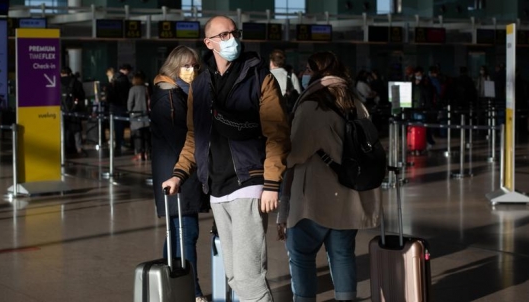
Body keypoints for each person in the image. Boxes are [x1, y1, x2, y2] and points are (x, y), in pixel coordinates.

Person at [162, 15, 289, 302]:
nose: (231, 39)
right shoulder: (202, 84)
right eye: (223, 35)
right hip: (217, 187)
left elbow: (277, 133)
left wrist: (271, 183)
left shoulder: (259, 77)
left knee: (248, 275)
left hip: (249, 181)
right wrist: (179, 173)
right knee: (233, 273)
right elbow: (195, 136)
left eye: (234, 33)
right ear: (209, 43)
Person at [277, 51, 380, 302]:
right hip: (349, 195)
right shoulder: (355, 103)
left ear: (318, 73)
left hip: (316, 199)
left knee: (301, 255)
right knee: (343, 255)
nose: (304, 74)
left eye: (308, 69)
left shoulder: (313, 106)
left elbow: (296, 152)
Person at [150, 46, 210, 302]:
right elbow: (183, 142)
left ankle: (172, 286)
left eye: (195, 66)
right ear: (174, 67)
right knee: (186, 233)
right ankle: (190, 290)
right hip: (178, 177)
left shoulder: (177, 95)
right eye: (186, 66)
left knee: (176, 234)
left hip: (176, 175)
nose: (192, 71)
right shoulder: (171, 99)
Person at [105, 64, 133, 153]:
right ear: (126, 70)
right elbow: (125, 94)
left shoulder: (114, 77)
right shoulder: (123, 79)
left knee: (116, 125)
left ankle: (117, 143)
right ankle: (120, 143)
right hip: (120, 105)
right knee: (120, 125)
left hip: (113, 105)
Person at [60, 66, 85, 156]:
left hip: (62, 110)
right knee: (77, 130)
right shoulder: (76, 83)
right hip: (75, 109)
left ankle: (65, 148)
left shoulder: (57, 82)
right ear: (70, 73)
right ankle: (78, 148)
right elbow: (82, 96)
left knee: (65, 130)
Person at [128, 71, 151, 161]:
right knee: (146, 136)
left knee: (138, 136)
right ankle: (146, 153)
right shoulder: (145, 88)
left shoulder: (133, 89)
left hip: (136, 116)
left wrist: (130, 112)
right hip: (145, 115)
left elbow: (130, 103)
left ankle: (139, 154)